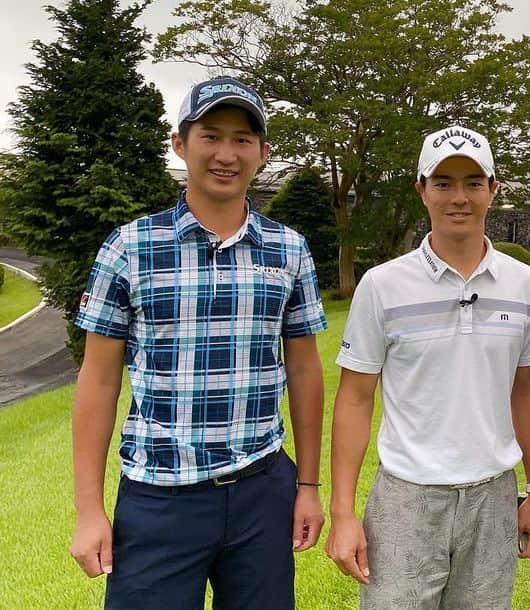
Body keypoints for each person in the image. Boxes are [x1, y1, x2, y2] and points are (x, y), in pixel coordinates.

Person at [69, 77, 328, 609]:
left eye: (242, 139)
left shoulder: (289, 249)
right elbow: (98, 379)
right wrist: (89, 509)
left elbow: (304, 371)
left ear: (262, 153)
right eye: (211, 136)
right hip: (159, 496)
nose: (226, 154)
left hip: (262, 490)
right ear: (180, 144)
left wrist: (307, 486)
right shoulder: (130, 247)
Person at [325, 125, 530, 609]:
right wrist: (342, 512)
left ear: (494, 189)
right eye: (443, 183)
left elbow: (527, 389)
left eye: (473, 182)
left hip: (493, 496)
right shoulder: (382, 284)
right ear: (421, 191)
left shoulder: (525, 283)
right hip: (407, 497)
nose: (459, 197)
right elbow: (355, 397)